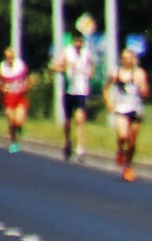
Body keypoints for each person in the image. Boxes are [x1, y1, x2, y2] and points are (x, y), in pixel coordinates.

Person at [104, 48, 149, 182]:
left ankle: (128, 166)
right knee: (123, 135)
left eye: (130, 58)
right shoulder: (116, 73)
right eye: (125, 58)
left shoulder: (139, 74)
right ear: (121, 60)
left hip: (136, 109)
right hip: (121, 109)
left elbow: (146, 91)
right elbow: (106, 89)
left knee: (132, 140)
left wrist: (143, 90)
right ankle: (119, 149)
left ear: (134, 59)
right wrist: (109, 103)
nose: (127, 61)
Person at [50, 33, 96, 162]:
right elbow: (54, 67)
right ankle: (67, 141)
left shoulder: (87, 52)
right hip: (69, 90)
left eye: (80, 42)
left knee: (80, 119)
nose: (78, 44)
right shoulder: (67, 52)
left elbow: (92, 66)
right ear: (73, 42)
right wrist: (66, 67)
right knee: (68, 122)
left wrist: (90, 73)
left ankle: (80, 149)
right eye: (76, 41)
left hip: (81, 90)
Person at [0, 47, 31, 153]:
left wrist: (25, 88)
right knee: (11, 121)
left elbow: (28, 80)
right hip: (8, 99)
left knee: (18, 121)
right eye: (7, 57)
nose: (10, 59)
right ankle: (14, 142)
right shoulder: (2, 68)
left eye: (11, 57)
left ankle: (20, 128)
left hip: (19, 98)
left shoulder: (20, 66)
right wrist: (3, 88)